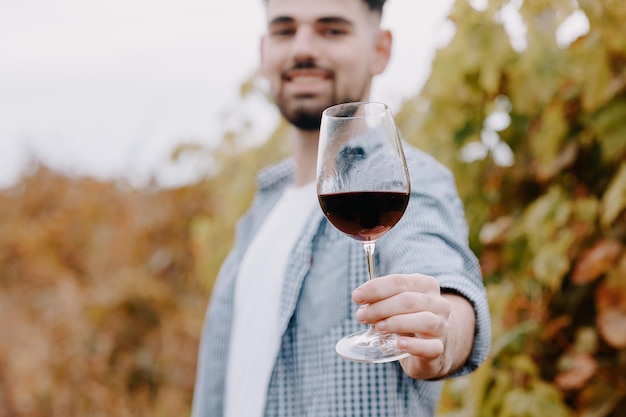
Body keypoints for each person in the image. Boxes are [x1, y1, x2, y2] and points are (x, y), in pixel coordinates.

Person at [190, 0, 491, 416]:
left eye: (332, 30)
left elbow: (443, 284)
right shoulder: (262, 209)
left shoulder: (406, 179)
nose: (303, 48)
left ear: (380, 49)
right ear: (264, 52)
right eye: (284, 30)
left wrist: (440, 334)